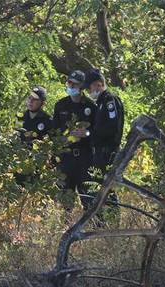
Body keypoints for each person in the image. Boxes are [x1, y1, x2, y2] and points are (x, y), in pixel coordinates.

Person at [52, 70, 97, 209]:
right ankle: (67, 228)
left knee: (89, 198)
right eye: (69, 82)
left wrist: (86, 134)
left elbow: (97, 133)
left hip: (85, 158)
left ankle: (94, 228)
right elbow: (54, 132)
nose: (70, 86)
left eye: (74, 84)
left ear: (82, 87)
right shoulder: (60, 105)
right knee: (65, 201)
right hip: (66, 158)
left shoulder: (91, 107)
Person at [85, 68, 124, 222]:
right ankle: (100, 221)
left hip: (108, 152)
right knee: (98, 187)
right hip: (100, 152)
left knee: (107, 187)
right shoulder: (101, 103)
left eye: (90, 87)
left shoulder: (109, 101)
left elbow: (111, 127)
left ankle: (113, 220)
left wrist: (90, 134)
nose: (89, 91)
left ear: (99, 84)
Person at [14, 85, 51, 185]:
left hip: (36, 166)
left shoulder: (47, 120)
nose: (31, 101)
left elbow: (49, 146)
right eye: (30, 98)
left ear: (42, 103)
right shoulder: (20, 117)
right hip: (18, 163)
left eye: (35, 99)